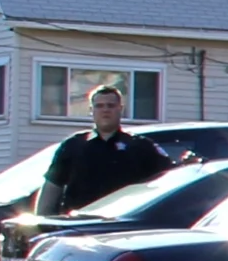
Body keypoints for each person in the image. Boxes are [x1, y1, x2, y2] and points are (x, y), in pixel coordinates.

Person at [35, 85, 174, 215]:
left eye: (111, 106)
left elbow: (169, 182)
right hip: (79, 226)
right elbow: (51, 189)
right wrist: (41, 223)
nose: (105, 110)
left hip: (122, 225)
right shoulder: (73, 146)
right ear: (91, 110)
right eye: (99, 106)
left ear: (120, 109)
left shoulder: (141, 147)